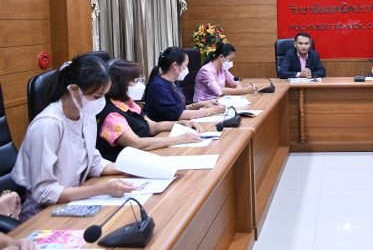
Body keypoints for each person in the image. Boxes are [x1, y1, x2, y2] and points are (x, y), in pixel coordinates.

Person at [11, 54, 136, 220]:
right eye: (97, 96)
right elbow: (44, 192)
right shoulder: (47, 125)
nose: (101, 102)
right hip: (42, 213)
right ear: (74, 90)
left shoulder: (86, 115)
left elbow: (93, 162)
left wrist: (137, 168)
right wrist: (102, 189)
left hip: (73, 200)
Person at [96, 59, 204, 162]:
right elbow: (137, 144)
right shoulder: (111, 115)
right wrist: (179, 139)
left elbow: (153, 127)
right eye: (135, 81)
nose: (140, 84)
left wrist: (182, 124)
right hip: (123, 170)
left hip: (146, 155)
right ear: (119, 84)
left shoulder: (128, 102)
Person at [145, 47, 225, 122]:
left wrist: (202, 104)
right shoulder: (158, 86)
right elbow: (178, 115)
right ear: (175, 66)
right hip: (166, 131)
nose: (187, 69)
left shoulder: (170, 82)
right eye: (186, 65)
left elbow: (177, 109)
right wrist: (210, 111)